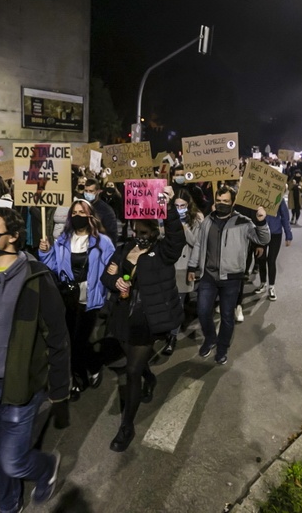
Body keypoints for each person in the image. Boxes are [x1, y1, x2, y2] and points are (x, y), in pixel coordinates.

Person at [0, 207, 70, 512]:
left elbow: (57, 334)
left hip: (20, 384)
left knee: (13, 460)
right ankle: (9, 503)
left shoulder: (36, 277)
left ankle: (45, 467)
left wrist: (59, 387)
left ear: (12, 237)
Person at [100, 186, 184, 451]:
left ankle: (127, 427)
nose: (140, 238)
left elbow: (177, 241)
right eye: (137, 233)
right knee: (135, 363)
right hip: (124, 317)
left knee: (132, 370)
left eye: (146, 233)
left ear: (155, 233)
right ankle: (150, 377)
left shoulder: (163, 253)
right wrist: (116, 283)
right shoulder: (125, 248)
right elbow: (107, 275)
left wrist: (169, 208)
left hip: (148, 318)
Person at [39, 200, 114, 400]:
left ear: (90, 215)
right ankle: (78, 380)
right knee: (71, 340)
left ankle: (92, 367)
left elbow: (112, 268)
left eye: (82, 211)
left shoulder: (103, 242)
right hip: (68, 297)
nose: (78, 215)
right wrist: (45, 252)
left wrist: (113, 281)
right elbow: (53, 266)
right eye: (75, 212)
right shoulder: (63, 239)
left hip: (89, 298)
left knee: (81, 341)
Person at [187, 187, 270, 365]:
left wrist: (262, 222)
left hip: (231, 278)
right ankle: (210, 339)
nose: (221, 204)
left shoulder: (243, 222)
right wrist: (192, 267)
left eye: (226, 201)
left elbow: (263, 240)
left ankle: (222, 347)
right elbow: (200, 245)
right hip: (208, 276)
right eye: (219, 201)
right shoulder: (207, 221)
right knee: (202, 311)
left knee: (226, 316)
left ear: (232, 202)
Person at [164, 190, 204, 355]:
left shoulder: (196, 220)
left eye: (183, 206)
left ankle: (172, 336)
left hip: (184, 265)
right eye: (176, 206)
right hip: (168, 264)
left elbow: (196, 242)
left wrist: (182, 225)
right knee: (167, 301)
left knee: (178, 303)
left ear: (189, 206)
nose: (180, 208)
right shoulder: (166, 215)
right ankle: (166, 329)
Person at [254, 197, 292, 301]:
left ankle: (271, 286)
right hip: (261, 231)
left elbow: (285, 217)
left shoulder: (279, 199)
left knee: (271, 260)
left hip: (275, 233)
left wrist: (288, 235)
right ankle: (263, 283)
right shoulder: (259, 196)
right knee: (261, 258)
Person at [81, 179, 118, 244]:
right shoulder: (80, 206)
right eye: (86, 191)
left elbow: (112, 234)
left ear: (98, 191)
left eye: (91, 191)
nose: (88, 193)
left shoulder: (106, 210)